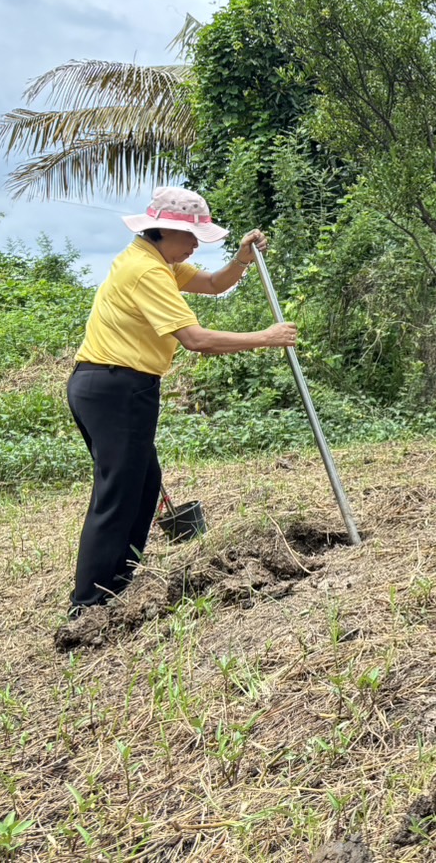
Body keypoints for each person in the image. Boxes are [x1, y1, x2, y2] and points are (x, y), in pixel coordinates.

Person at [65, 186, 297, 617]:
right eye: (191, 237)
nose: (194, 245)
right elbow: (196, 341)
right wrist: (266, 337)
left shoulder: (154, 260)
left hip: (111, 386)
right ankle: (89, 605)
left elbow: (212, 284)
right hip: (115, 387)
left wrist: (242, 260)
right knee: (118, 494)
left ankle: (117, 585)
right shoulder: (146, 272)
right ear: (164, 230)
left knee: (143, 486)